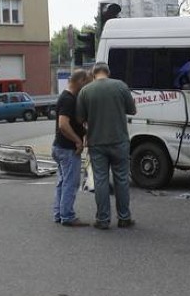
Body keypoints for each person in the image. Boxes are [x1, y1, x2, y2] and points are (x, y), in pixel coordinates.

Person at [77, 62, 137, 230]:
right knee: (122, 180)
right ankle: (124, 217)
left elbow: (80, 119)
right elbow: (133, 110)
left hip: (97, 143)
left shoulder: (85, 91)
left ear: (94, 73)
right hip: (119, 141)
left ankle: (103, 220)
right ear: (108, 73)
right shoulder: (121, 86)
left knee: (101, 180)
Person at [51, 69, 92, 227]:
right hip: (67, 148)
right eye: (87, 82)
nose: (87, 86)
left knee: (62, 182)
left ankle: (59, 213)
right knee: (70, 183)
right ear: (81, 80)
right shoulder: (68, 99)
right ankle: (67, 216)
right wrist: (78, 141)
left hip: (59, 147)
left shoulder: (66, 97)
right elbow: (63, 124)